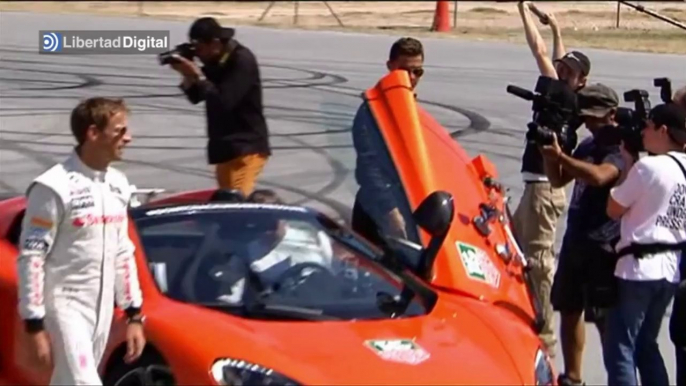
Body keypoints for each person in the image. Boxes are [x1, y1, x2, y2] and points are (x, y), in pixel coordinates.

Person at [16, 97, 146, 385]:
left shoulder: (118, 184)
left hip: (101, 309)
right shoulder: (53, 187)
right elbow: (32, 257)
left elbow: (122, 252)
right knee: (84, 382)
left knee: (68, 382)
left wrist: (134, 313)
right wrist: (33, 321)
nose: (129, 137)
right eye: (120, 131)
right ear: (93, 133)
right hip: (64, 303)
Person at [514, 0, 590, 364]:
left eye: (570, 72)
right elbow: (555, 55)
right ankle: (523, 308)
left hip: (543, 187)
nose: (562, 71)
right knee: (512, 244)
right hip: (538, 184)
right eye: (563, 68)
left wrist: (522, 10)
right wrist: (557, 27)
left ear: (580, 82)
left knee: (539, 259)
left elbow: (539, 50)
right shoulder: (568, 93)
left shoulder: (560, 95)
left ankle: (544, 337)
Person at [541, 84, 630, 386]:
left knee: (604, 318)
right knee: (568, 308)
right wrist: (550, 154)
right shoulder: (588, 146)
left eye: (596, 117)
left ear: (612, 114)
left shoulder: (620, 149)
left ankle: (617, 378)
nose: (590, 123)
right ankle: (573, 376)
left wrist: (562, 158)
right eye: (586, 117)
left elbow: (599, 176)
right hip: (576, 238)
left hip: (603, 243)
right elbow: (557, 180)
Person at [604, 103, 686, 386]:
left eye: (648, 127)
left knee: (621, 347)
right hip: (670, 270)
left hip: (637, 269)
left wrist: (629, 166)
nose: (643, 132)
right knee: (646, 344)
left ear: (663, 130)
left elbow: (614, 207)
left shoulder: (648, 168)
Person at [170, 17, 271, 196]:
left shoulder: (241, 60)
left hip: (245, 147)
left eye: (200, 48)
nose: (199, 54)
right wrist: (186, 75)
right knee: (226, 205)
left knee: (236, 206)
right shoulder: (216, 62)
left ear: (215, 43)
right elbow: (196, 96)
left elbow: (223, 101)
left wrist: (198, 75)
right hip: (225, 149)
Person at [350, 36, 424, 247]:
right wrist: (389, 210)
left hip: (409, 206)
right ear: (390, 67)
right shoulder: (372, 112)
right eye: (404, 70)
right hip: (377, 211)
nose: (411, 77)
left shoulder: (413, 110)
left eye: (417, 72)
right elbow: (368, 167)